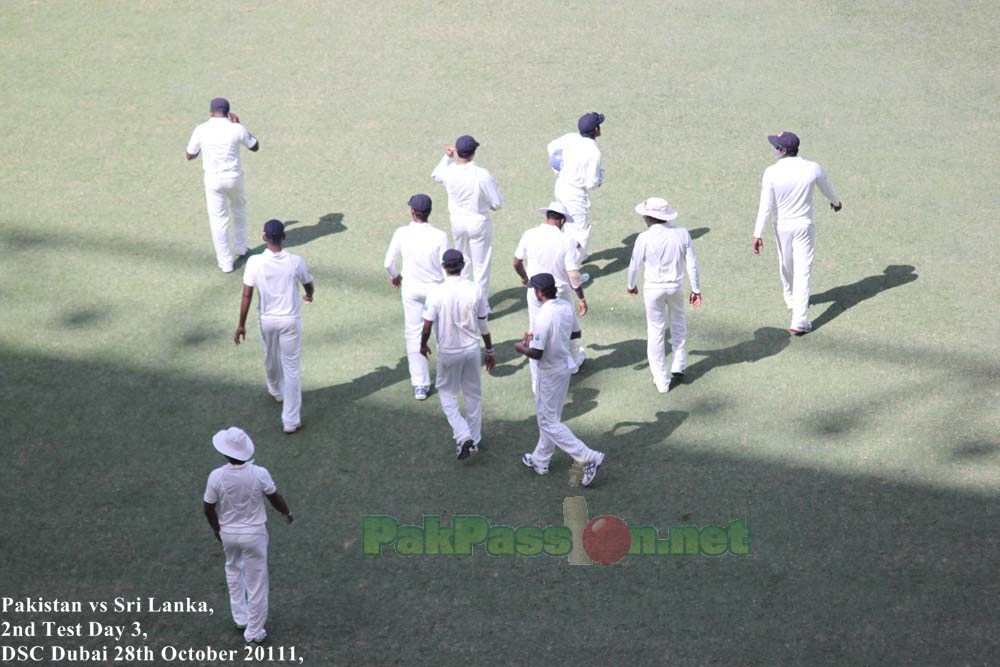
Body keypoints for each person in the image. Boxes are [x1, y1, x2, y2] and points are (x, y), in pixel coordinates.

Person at [203, 426, 293, 645]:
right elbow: (274, 497)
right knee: (257, 582)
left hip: (229, 534)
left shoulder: (216, 476)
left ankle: (240, 617)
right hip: (254, 534)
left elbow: (208, 507)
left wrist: (217, 529)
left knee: (233, 570)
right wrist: (286, 513)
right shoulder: (259, 473)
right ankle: (254, 632)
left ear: (225, 453)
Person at [516, 273, 605, 487]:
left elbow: (536, 353)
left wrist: (521, 347)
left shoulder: (542, 316)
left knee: (547, 421)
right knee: (551, 418)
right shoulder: (565, 306)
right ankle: (540, 460)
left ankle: (587, 456)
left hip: (548, 372)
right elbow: (575, 334)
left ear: (539, 292)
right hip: (564, 368)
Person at [752, 131, 843, 334]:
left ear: (784, 150)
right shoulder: (812, 168)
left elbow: (765, 206)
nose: (774, 149)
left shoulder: (771, 172)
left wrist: (757, 234)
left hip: (784, 227)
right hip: (803, 226)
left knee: (792, 267)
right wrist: (836, 203)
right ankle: (793, 301)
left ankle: (799, 318)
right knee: (795, 269)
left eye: (776, 147)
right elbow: (828, 188)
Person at [235, 220, 314, 433]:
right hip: (290, 320)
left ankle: (275, 390)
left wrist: (241, 324)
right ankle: (290, 420)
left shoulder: (254, 262)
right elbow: (307, 283)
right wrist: (309, 294)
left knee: (270, 356)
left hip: (267, 320)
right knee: (291, 369)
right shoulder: (295, 262)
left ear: (264, 238)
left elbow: (247, 294)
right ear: (284, 237)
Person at [419, 250, 496, 460]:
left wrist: (422, 345)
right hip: (472, 350)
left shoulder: (436, 292)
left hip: (448, 352)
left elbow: (426, 325)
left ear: (443, 267)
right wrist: (489, 350)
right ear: (462, 266)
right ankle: (475, 440)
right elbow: (483, 324)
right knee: (473, 396)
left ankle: (463, 435)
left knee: (447, 394)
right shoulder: (474, 288)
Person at [626, 197, 703, 393]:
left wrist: (631, 284)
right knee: (678, 323)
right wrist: (696, 289)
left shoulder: (643, 238)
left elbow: (634, 264)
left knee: (655, 331)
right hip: (675, 286)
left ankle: (661, 380)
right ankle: (679, 363)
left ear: (649, 217)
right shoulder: (682, 233)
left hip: (653, 289)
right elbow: (691, 263)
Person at [513, 201, 588, 392]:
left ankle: (536, 382)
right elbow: (573, 274)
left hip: (535, 291)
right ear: (562, 220)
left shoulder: (530, 234)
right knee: (571, 330)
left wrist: (524, 278)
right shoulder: (566, 241)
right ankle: (572, 365)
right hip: (560, 293)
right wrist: (581, 298)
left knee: (534, 332)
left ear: (547, 216)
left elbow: (516, 262)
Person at [384, 194, 450, 400]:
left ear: (413, 212)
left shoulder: (402, 232)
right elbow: (446, 266)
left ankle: (420, 385)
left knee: (414, 334)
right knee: (442, 334)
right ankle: (445, 380)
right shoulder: (440, 236)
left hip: (411, 289)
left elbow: (388, 263)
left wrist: (395, 277)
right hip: (435, 290)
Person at [186, 98, 260, 273]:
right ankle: (241, 248)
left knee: (218, 220)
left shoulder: (201, 129)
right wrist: (240, 125)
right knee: (239, 211)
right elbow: (255, 146)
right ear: (228, 112)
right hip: (234, 178)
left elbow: (190, 155)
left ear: (211, 113)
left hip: (213, 180)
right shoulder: (237, 128)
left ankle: (226, 263)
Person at [430, 135, 504, 303]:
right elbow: (497, 203)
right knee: (481, 266)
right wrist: (491, 205)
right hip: (478, 222)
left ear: (457, 151)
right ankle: (480, 307)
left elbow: (435, 175)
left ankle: (461, 301)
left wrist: (446, 157)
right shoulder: (481, 174)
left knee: (462, 262)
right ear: (473, 153)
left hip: (457, 223)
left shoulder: (449, 171)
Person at [546, 112, 605, 270]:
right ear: (596, 130)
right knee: (582, 232)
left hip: (560, 187)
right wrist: (601, 177)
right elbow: (592, 183)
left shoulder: (571, 138)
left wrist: (557, 168)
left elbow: (551, 147)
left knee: (567, 226)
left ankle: (578, 256)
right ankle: (571, 271)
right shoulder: (594, 152)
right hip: (575, 195)